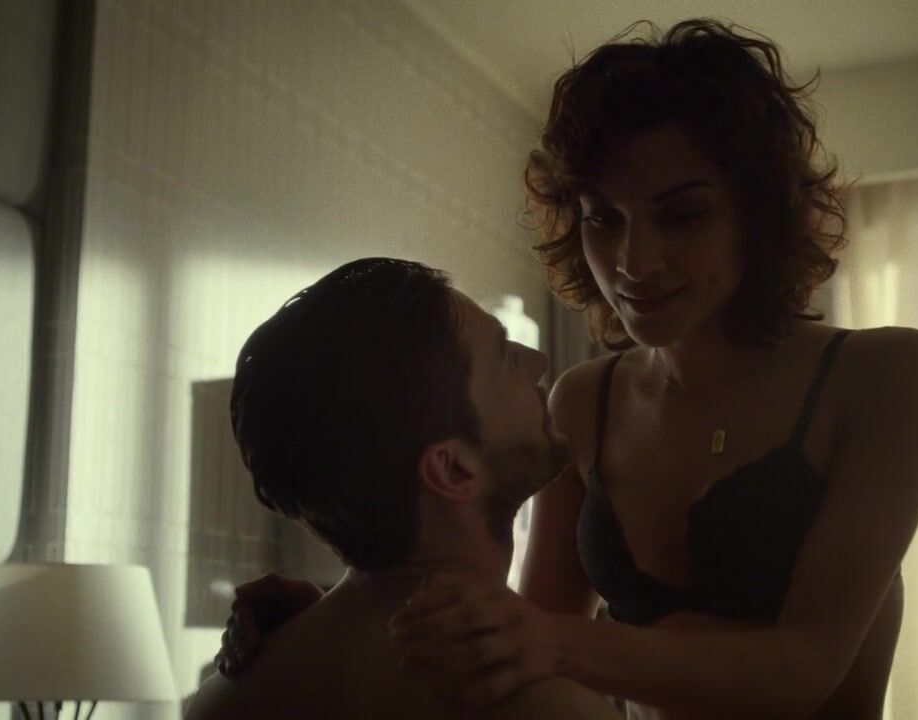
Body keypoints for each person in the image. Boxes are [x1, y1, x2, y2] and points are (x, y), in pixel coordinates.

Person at [220, 19, 918, 719]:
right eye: (604, 218)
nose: (635, 262)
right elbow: (521, 641)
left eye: (682, 216)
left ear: (757, 215)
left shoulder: (885, 376)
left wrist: (546, 641)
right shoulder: (584, 402)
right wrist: (342, 625)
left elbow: (804, 667)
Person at [186, 258, 621, 719]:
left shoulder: (222, 700)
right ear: (453, 469)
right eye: (506, 359)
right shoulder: (548, 708)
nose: (537, 362)